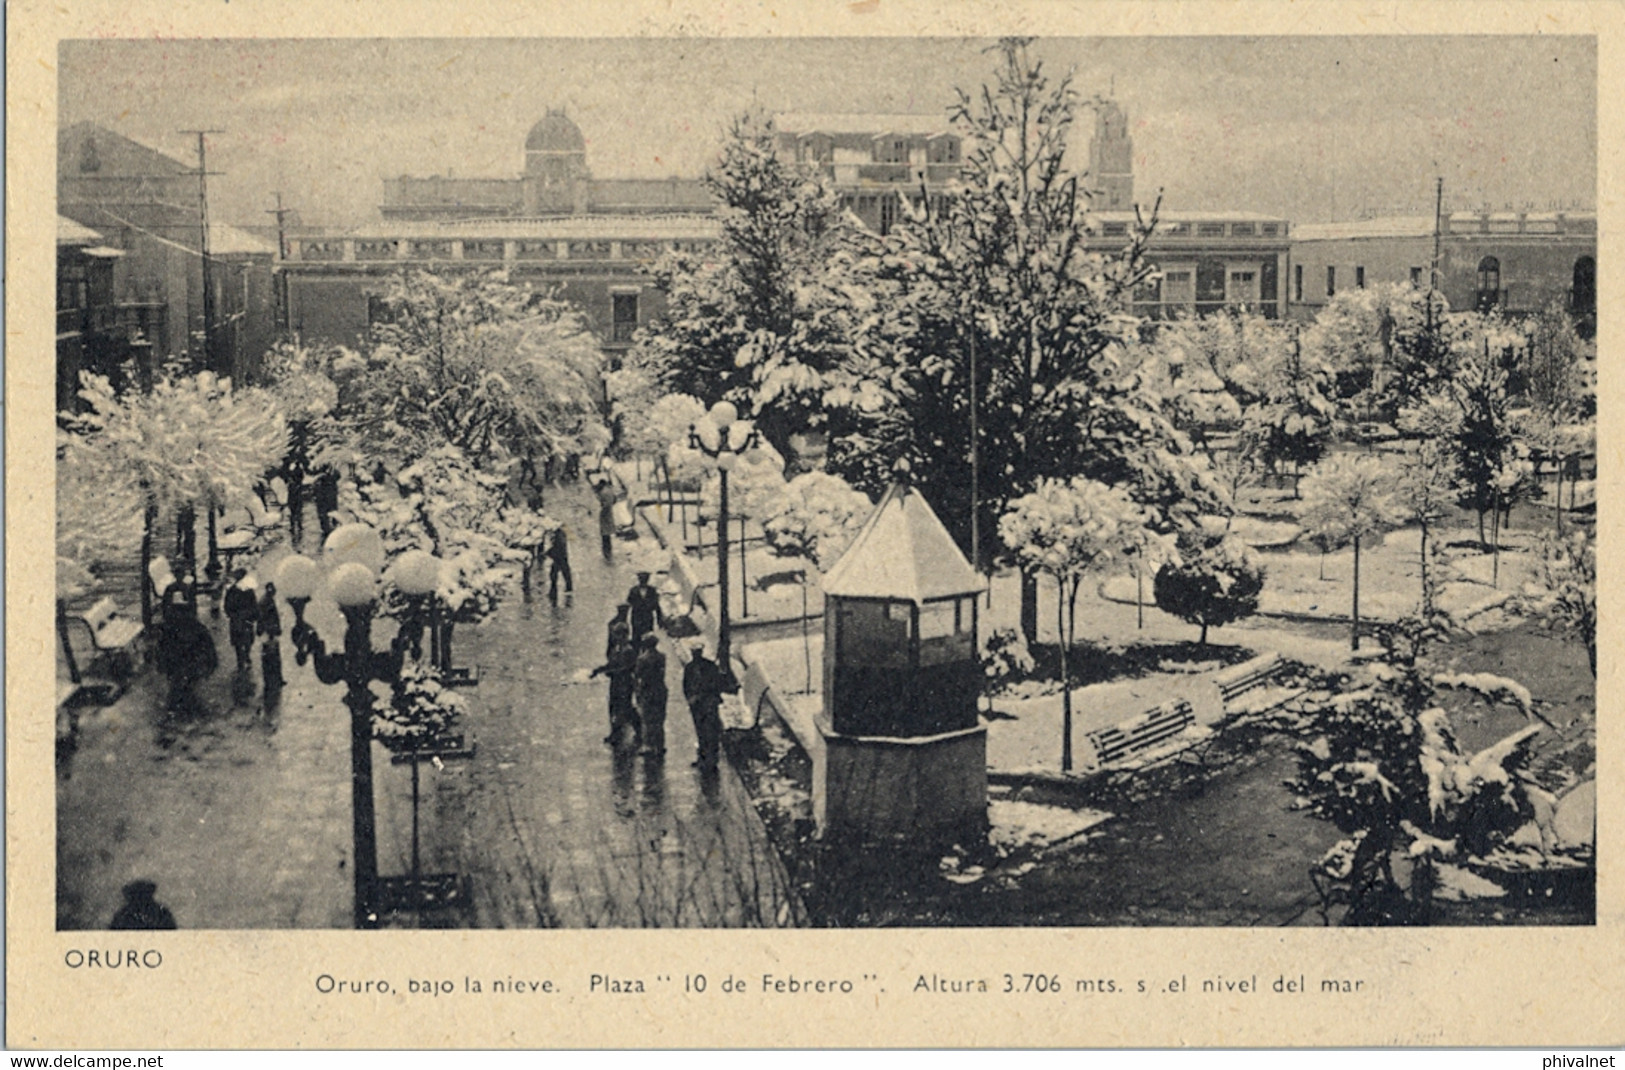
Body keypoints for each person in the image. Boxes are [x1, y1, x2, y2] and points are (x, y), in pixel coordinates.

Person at [153, 586, 217, 715]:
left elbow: (207, 646)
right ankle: (182, 707)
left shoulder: (176, 628)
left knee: (183, 686)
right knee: (181, 686)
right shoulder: (174, 628)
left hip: (185, 664)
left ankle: (182, 707)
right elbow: (162, 646)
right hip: (180, 663)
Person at [682, 641, 728, 772]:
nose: (695, 655)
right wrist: (690, 699)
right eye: (693, 653)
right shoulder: (689, 668)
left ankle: (712, 759)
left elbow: (716, 684)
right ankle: (702, 758)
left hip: (708, 703)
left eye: (697, 653)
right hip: (697, 705)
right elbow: (685, 685)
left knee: (711, 731)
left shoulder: (710, 666)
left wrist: (706, 696)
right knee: (700, 731)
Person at [590, 624, 638, 747]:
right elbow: (611, 664)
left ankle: (639, 731)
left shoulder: (628, 650)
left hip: (625, 683)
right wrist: (598, 670)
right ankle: (615, 733)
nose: (617, 637)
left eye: (619, 635)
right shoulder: (616, 649)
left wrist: (611, 672)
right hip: (615, 683)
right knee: (613, 707)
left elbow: (628, 668)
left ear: (625, 635)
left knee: (625, 708)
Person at [633, 633, 668, 757]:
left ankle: (648, 745)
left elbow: (638, 675)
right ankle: (660, 745)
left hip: (647, 690)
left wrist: (637, 692)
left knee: (648, 718)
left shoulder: (642, 659)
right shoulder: (662, 657)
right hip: (660, 689)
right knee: (659, 718)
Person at [222, 571, 259, 672]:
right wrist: (233, 615)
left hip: (245, 619)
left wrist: (252, 615)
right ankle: (240, 661)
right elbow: (227, 606)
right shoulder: (231, 591)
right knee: (238, 642)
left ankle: (246, 656)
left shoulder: (248, 591)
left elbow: (254, 605)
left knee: (247, 641)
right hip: (237, 620)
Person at [110, 880, 177, 930]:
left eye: (143, 896)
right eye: (137, 896)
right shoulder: (122, 917)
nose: (140, 900)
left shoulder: (162, 915)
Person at [258, 581, 284, 693]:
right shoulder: (265, 601)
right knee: (270, 658)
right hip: (269, 633)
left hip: (271, 632)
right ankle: (272, 680)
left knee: (273, 657)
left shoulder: (267, 599)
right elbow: (263, 618)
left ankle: (277, 679)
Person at [626, 572, 663, 642]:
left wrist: (659, 620)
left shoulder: (652, 591)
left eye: (644, 580)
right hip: (636, 617)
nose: (643, 581)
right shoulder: (634, 591)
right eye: (641, 580)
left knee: (647, 638)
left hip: (647, 618)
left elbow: (656, 605)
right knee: (636, 637)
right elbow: (629, 602)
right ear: (639, 580)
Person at [593, 475, 619, 559]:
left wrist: (602, 505)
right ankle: (608, 551)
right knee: (606, 534)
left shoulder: (604, 492)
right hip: (609, 513)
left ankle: (607, 552)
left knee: (605, 534)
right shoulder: (609, 490)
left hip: (605, 514)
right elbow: (615, 499)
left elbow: (606, 504)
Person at [545, 525, 573, 600]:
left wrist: (548, 552)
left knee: (554, 574)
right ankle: (568, 588)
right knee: (564, 572)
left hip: (559, 557)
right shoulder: (560, 533)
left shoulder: (558, 535)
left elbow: (557, 546)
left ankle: (553, 592)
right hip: (561, 556)